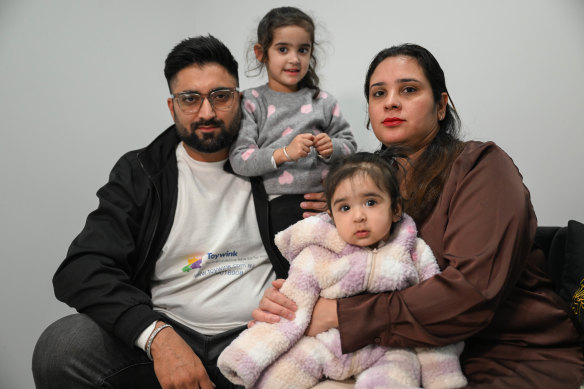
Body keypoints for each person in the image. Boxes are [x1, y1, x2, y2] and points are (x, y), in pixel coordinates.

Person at [251, 43, 584, 388]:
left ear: (441, 106)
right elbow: (336, 266)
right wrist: (293, 304)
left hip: (503, 356)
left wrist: (337, 315)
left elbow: (470, 295)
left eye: (408, 90)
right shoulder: (361, 187)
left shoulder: (482, 168)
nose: (390, 102)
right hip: (390, 354)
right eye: (378, 93)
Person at [31, 35, 325, 389]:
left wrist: (339, 203)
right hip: (169, 329)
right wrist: (158, 338)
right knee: (61, 347)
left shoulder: (282, 163)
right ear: (172, 108)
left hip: (258, 337)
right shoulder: (141, 172)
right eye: (190, 99)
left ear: (241, 100)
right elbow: (82, 269)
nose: (207, 113)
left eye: (220, 96)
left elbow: (354, 213)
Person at [218, 151, 467, 389]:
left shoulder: (414, 252)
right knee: (278, 380)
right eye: (345, 208)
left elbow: (431, 316)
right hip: (328, 346)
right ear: (332, 216)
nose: (358, 216)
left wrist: (442, 378)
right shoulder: (316, 255)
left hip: (392, 351)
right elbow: (291, 312)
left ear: (395, 210)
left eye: (371, 202)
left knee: (396, 377)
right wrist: (244, 358)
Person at [229, 6, 356, 240]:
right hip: (276, 207)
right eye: (283, 49)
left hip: (327, 204)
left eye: (303, 49)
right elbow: (240, 159)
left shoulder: (323, 101)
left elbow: (349, 145)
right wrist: (285, 153)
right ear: (261, 53)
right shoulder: (251, 102)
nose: (294, 59)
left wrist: (333, 147)